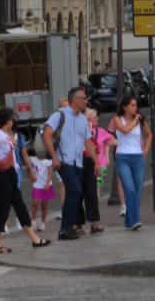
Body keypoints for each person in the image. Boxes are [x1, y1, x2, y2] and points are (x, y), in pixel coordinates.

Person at [0, 107, 52, 254]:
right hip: (0, 177)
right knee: (1, 209)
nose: (13, 121)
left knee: (21, 207)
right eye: (12, 119)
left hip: (10, 173)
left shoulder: (5, 135)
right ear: (6, 121)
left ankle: (35, 239)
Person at [43, 87, 100, 242]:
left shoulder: (82, 119)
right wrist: (54, 157)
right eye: (84, 98)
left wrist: (95, 162)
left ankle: (67, 228)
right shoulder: (59, 115)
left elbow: (87, 141)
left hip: (78, 162)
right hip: (63, 161)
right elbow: (46, 134)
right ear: (75, 100)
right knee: (75, 190)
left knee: (73, 192)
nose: (86, 101)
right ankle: (66, 228)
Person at [113, 94, 152, 231]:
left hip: (137, 157)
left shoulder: (140, 121)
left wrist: (145, 151)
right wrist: (135, 121)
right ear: (124, 107)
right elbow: (124, 130)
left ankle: (129, 220)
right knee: (129, 188)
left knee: (138, 190)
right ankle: (136, 220)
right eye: (132, 105)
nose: (136, 108)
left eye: (136, 105)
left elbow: (149, 134)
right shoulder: (118, 119)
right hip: (122, 157)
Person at [74, 108, 114, 234]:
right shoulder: (76, 126)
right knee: (78, 193)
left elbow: (96, 144)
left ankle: (93, 223)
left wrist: (97, 161)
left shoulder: (92, 129)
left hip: (90, 160)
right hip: (78, 160)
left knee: (92, 192)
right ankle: (78, 224)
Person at [28, 144, 54, 231]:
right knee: (35, 202)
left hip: (46, 184)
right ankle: (33, 221)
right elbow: (28, 168)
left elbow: (50, 174)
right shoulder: (33, 159)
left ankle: (42, 223)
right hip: (37, 184)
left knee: (44, 204)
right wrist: (30, 175)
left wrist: (47, 184)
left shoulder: (48, 161)